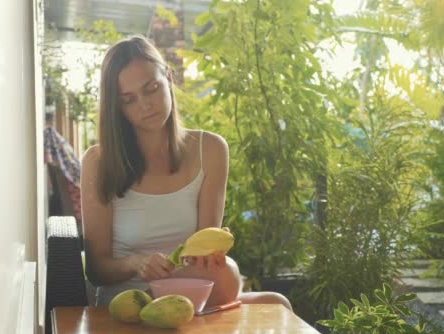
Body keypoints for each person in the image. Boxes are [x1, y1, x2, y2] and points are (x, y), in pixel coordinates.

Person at [80, 35, 291, 310]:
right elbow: (96, 271)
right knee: (233, 279)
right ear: (117, 107)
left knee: (276, 301)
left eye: (151, 88)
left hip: (192, 296)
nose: (145, 105)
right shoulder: (99, 161)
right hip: (131, 305)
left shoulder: (211, 150)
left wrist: (211, 257)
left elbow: (204, 253)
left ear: (168, 76)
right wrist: (137, 264)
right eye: (129, 100)